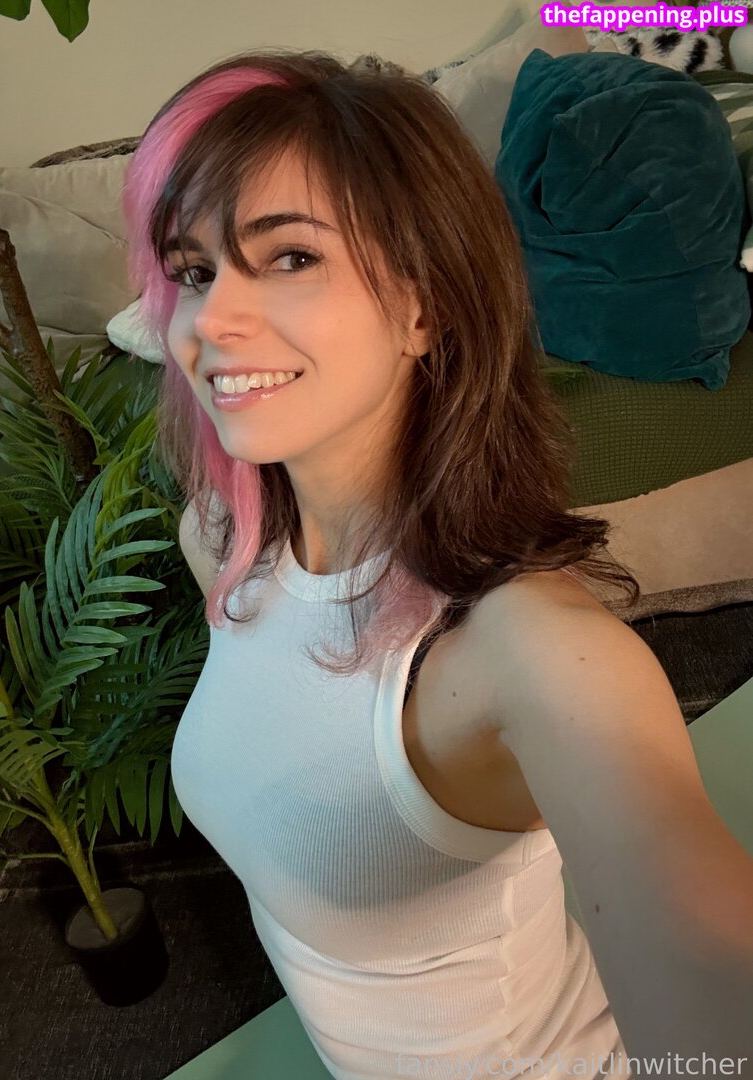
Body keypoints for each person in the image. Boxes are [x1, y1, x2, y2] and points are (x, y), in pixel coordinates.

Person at [122, 49, 753, 1080]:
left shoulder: (531, 652)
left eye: (289, 256)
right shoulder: (226, 543)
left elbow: (714, 990)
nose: (211, 323)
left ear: (423, 307)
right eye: (195, 272)